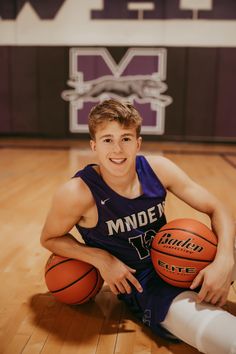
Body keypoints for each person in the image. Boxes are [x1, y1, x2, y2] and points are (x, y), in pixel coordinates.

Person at [41, 99, 236, 353]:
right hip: (146, 285)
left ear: (138, 143)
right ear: (94, 146)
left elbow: (216, 208)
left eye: (126, 138)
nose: (118, 149)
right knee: (225, 338)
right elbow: (49, 238)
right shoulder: (77, 193)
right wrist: (101, 259)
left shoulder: (158, 169)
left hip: (187, 258)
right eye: (107, 139)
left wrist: (224, 261)